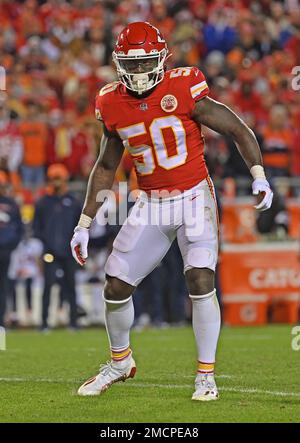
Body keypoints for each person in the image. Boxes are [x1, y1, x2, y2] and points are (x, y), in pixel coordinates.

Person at [71, 22, 273, 401]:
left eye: (145, 62)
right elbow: (105, 165)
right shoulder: (111, 101)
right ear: (117, 65)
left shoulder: (183, 87)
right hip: (150, 201)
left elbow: (237, 128)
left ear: (161, 59)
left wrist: (258, 173)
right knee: (115, 284)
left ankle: (206, 375)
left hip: (194, 196)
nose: (138, 71)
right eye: (130, 65)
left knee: (200, 277)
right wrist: (84, 222)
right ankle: (119, 362)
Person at [33, 163, 81, 331]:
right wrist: (46, 245)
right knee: (48, 287)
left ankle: (74, 322)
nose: (56, 182)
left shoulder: (73, 202)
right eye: (53, 179)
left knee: (71, 287)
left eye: (58, 178)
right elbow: (36, 228)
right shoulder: (43, 203)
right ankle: (44, 323)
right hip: (50, 252)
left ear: (65, 179)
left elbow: (80, 227)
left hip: (68, 252)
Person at [0, 171, 23, 326]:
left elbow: (19, 228)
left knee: (3, 286)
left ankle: (1, 321)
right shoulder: (11, 203)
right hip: (6, 248)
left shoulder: (12, 204)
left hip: (6, 250)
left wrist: (12, 245)